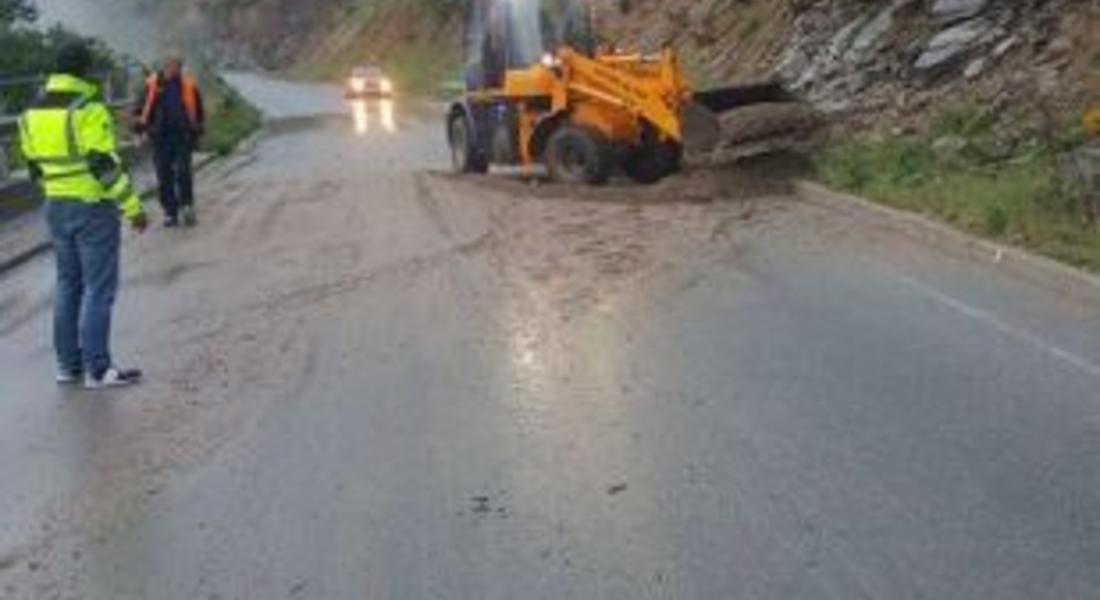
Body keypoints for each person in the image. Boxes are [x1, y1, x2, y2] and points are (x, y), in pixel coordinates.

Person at [19, 42, 148, 389]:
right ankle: (98, 369)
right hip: (91, 206)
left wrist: (57, 186)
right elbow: (103, 167)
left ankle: (68, 366)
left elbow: (32, 166)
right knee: (98, 288)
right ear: (84, 70)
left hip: (55, 205)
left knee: (67, 285)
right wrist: (132, 208)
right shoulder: (88, 108)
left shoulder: (31, 110)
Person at [136, 55, 205, 228]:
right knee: (164, 175)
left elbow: (198, 111)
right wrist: (140, 130)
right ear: (164, 66)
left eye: (177, 67)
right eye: (172, 66)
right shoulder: (151, 85)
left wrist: (197, 131)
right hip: (160, 138)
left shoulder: (188, 85)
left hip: (183, 137)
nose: (174, 69)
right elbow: (140, 109)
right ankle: (170, 212)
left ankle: (187, 206)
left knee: (183, 173)